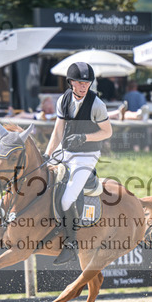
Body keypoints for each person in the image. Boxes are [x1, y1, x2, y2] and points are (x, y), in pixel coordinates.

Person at [43, 62, 112, 265]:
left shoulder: (97, 104)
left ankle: (71, 243)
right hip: (65, 151)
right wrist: (47, 155)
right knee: (42, 179)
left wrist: (84, 137)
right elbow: (58, 131)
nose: (84, 86)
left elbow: (107, 132)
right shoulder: (63, 100)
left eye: (87, 83)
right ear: (71, 82)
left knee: (66, 199)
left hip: (86, 155)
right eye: (80, 83)